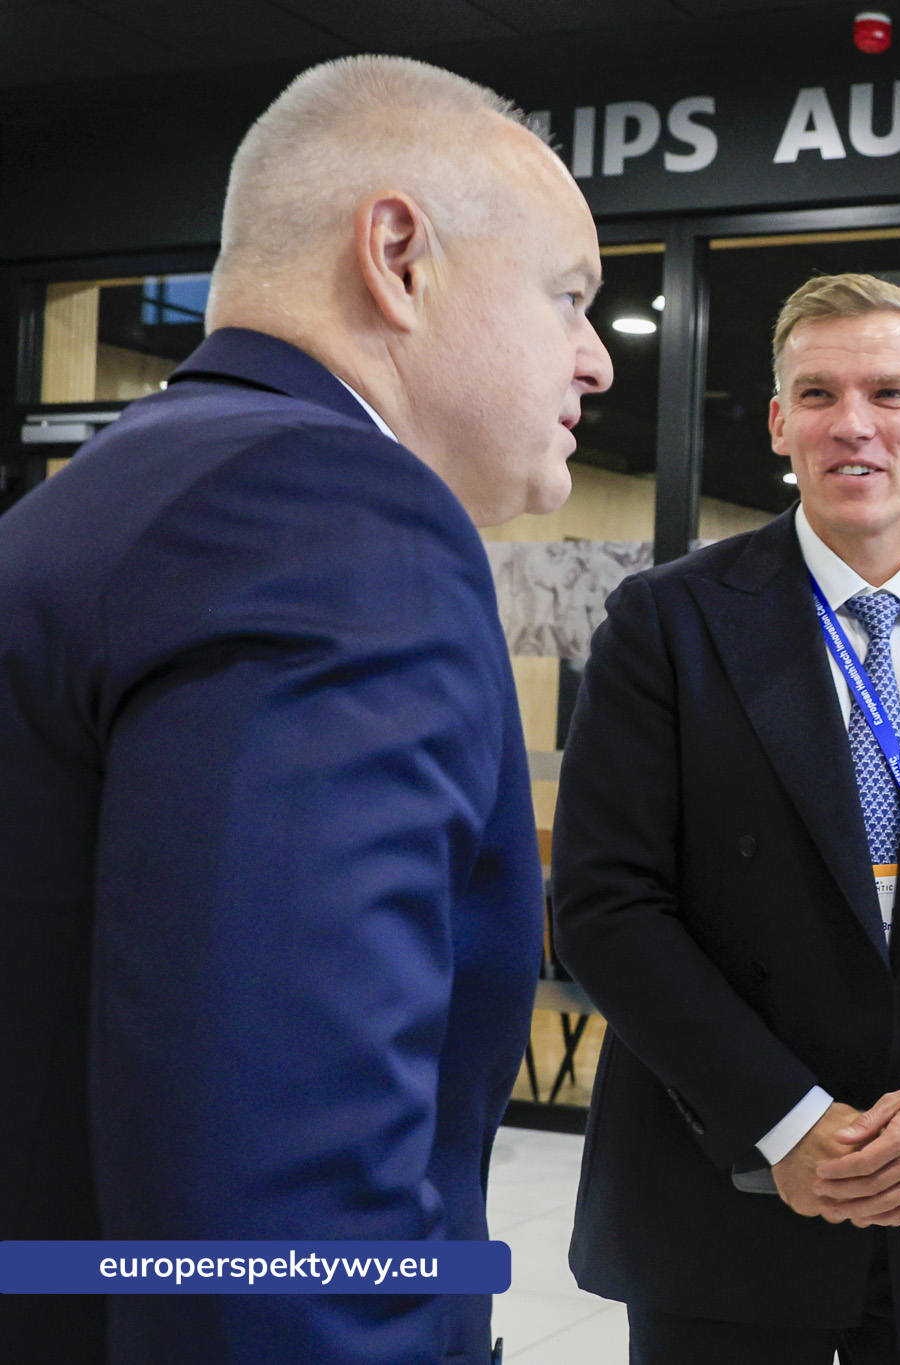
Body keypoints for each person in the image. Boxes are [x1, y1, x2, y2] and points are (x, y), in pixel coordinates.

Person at [0, 56, 611, 1365]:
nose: (599, 358)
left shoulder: (119, 497)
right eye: (571, 297)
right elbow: (280, 1222)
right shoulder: (335, 521)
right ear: (399, 255)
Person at [550, 273, 900, 1364]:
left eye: (890, 394)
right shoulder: (664, 625)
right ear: (778, 423)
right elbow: (605, 905)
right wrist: (789, 1119)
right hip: (726, 1184)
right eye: (816, 394)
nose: (851, 425)